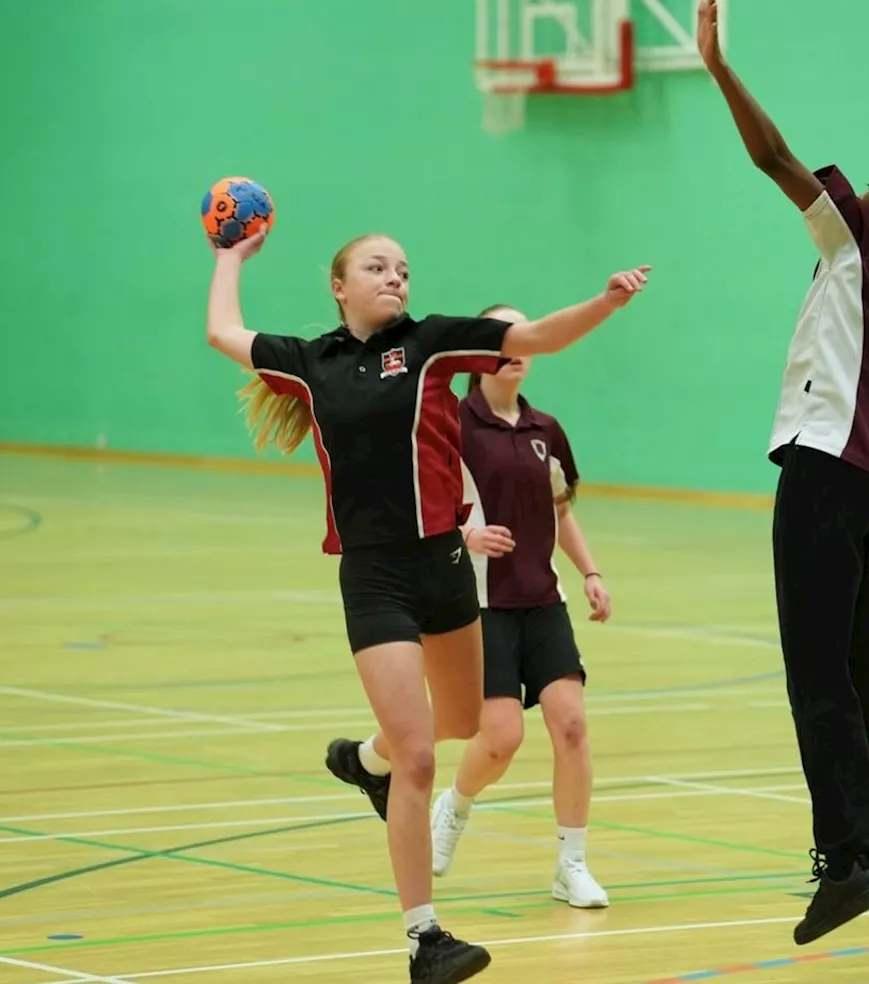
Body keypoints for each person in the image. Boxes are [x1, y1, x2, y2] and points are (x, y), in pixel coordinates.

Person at [206, 226, 649, 984]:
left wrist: (606, 302)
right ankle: (424, 938)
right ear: (339, 286)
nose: (395, 278)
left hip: (445, 565)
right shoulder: (314, 365)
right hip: (374, 576)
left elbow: (537, 334)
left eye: (404, 269)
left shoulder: (432, 344)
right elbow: (222, 330)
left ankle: (362, 760)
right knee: (420, 754)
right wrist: (230, 258)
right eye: (377, 267)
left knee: (464, 724)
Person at [696, 0, 869, 947]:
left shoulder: (862, 237)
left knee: (816, 672)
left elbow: (774, 160)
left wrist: (722, 69)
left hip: (829, 471)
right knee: (867, 665)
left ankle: (845, 858)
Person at [327, 304, 612, 908]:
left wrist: (589, 571)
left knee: (572, 723)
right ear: (482, 355)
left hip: (542, 596)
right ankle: (454, 806)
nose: (514, 346)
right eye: (502, 334)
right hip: (477, 600)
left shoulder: (545, 429)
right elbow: (422, 504)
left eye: (521, 333)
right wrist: (465, 536)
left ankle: (572, 863)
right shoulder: (449, 420)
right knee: (499, 738)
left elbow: (561, 511)